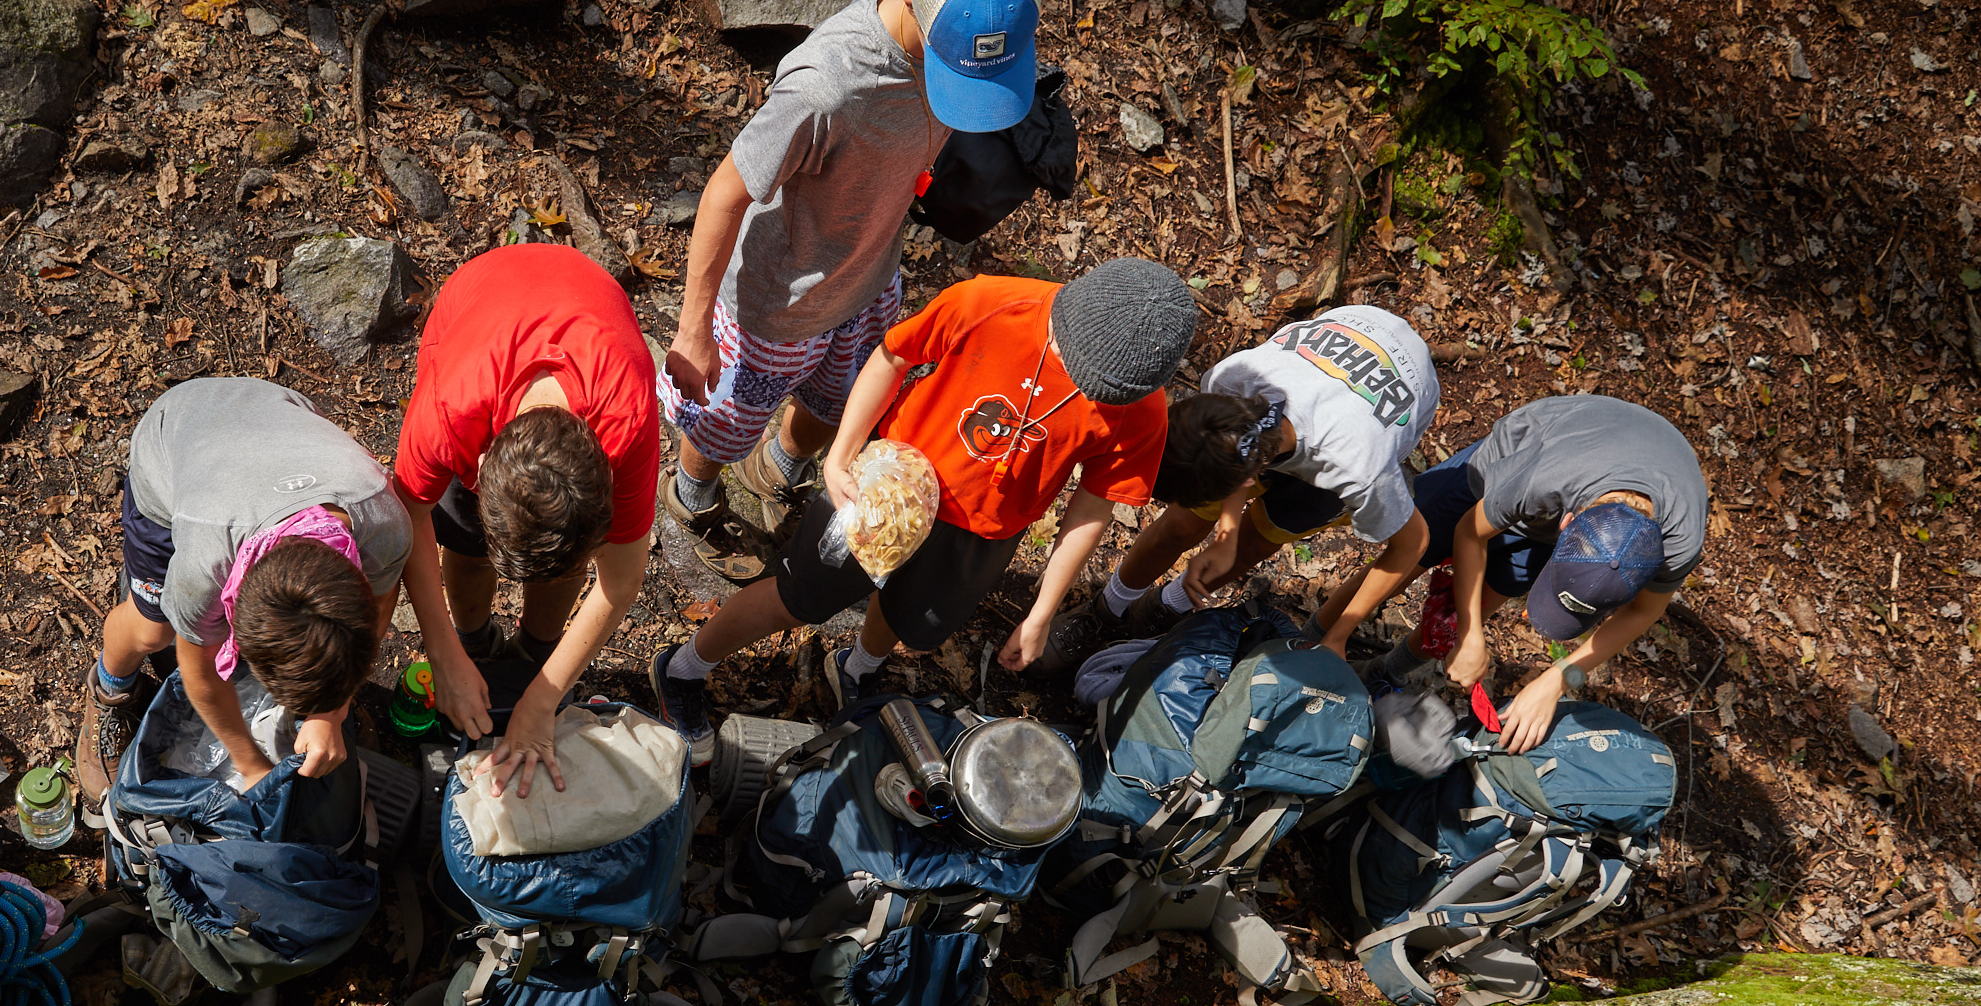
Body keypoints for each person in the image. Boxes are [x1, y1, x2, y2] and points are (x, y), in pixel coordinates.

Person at [650, 258, 1197, 761]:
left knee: (910, 613)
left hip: (984, 531)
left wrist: (1042, 612)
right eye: (1070, 360)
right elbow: (892, 356)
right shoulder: (991, 303)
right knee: (798, 598)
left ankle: (856, 667)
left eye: (1095, 386)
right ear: (1072, 307)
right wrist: (840, 454)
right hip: (890, 486)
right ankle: (684, 667)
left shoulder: (1137, 404)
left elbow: (1092, 505)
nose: (1078, 382)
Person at [658, 0, 1046, 578]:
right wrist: (694, 327)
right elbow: (726, 191)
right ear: (918, 8)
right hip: (778, 302)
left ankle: (778, 470)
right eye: (958, 75)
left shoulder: (963, 4)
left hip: (869, 278)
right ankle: (691, 495)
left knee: (832, 403)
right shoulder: (830, 84)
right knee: (726, 423)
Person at [392, 243, 660, 797]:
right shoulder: (449, 410)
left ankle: (533, 652)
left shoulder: (626, 419)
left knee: (554, 571)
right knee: (464, 548)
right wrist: (443, 653)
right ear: (480, 463)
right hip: (481, 297)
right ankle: (474, 641)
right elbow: (410, 514)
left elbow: (622, 578)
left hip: (590, 304)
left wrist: (542, 697)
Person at [1042, 304, 1439, 671]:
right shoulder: (1233, 378)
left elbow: (1414, 544)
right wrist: (1224, 531)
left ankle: (1166, 607)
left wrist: (1339, 634)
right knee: (1182, 524)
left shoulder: (1359, 469)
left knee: (1258, 540)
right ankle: (1108, 610)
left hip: (1381, 407)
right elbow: (1241, 459)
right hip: (1346, 344)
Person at [75, 376, 410, 806]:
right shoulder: (207, 564)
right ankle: (108, 689)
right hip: (175, 435)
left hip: (278, 418)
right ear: (233, 611)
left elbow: (381, 602)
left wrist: (331, 710)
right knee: (152, 630)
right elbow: (199, 670)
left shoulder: (381, 520)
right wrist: (250, 764)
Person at [1376, 394, 1710, 752]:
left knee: (1487, 593)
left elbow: (1643, 612)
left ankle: (1386, 670)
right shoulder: (1545, 479)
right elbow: (1470, 532)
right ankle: (1321, 638)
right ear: (1565, 527)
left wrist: (1557, 680)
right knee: (1408, 558)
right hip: (1520, 457)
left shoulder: (1677, 543)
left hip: (1606, 479)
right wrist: (1470, 634)